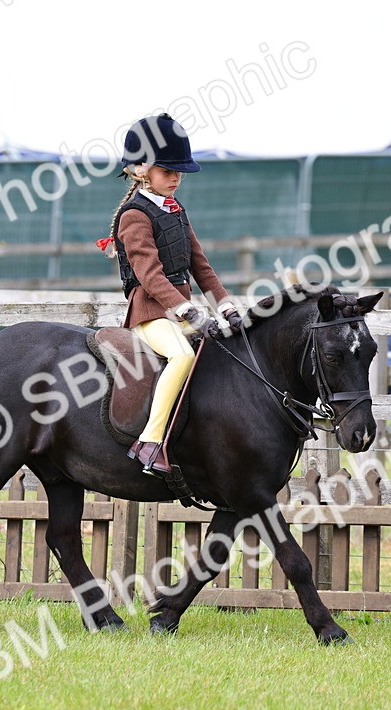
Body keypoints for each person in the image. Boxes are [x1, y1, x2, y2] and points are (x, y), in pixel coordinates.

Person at [96, 113, 242, 476]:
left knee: (225, 350)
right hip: (150, 314)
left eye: (179, 172)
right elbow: (150, 275)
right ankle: (150, 441)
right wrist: (188, 311)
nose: (176, 178)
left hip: (180, 311)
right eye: (167, 171)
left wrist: (225, 307)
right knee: (181, 357)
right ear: (141, 170)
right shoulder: (133, 216)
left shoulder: (176, 211)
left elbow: (200, 265)